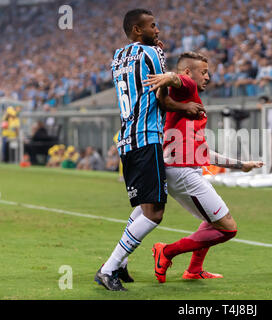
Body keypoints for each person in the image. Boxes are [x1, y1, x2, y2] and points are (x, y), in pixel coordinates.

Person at [94, 9, 205, 291]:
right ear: (136, 30)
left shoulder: (118, 57)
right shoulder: (152, 54)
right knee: (155, 212)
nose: (158, 31)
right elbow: (163, 100)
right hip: (147, 138)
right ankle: (108, 268)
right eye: (152, 26)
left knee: (145, 206)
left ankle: (119, 264)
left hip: (127, 139)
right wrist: (187, 107)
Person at [142, 51, 263, 282]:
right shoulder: (188, 88)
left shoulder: (188, 105)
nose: (208, 77)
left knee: (211, 220)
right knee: (227, 228)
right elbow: (178, 79)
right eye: (204, 72)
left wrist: (241, 165)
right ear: (188, 72)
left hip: (185, 168)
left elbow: (203, 152)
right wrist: (168, 76)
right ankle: (166, 251)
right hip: (182, 171)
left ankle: (194, 270)